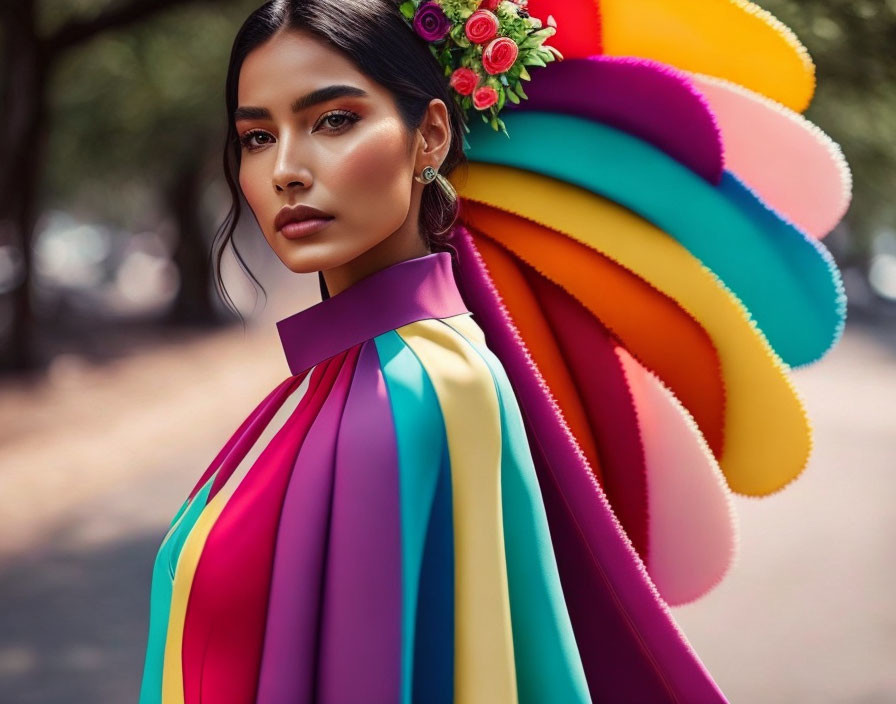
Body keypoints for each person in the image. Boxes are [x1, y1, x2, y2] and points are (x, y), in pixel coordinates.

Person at [139, 0, 849, 702]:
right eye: (258, 137)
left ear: (431, 136)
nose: (287, 170)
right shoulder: (355, 374)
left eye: (334, 120)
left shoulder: (415, 388)